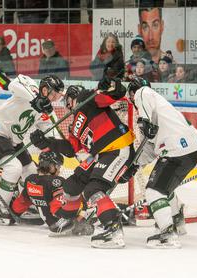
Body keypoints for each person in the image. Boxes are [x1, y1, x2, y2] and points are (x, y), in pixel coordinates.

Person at [29, 78, 135, 248]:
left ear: (74, 97)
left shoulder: (90, 100)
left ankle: (113, 228)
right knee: (72, 184)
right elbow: (71, 149)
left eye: (68, 102)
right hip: (99, 155)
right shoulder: (74, 124)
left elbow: (115, 94)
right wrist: (46, 142)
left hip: (117, 148)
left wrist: (112, 83)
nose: (67, 106)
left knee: (94, 189)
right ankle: (72, 222)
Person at [126, 77, 197, 248]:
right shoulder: (160, 110)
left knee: (153, 191)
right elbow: (149, 147)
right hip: (189, 151)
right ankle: (177, 222)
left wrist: (143, 121)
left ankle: (168, 233)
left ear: (133, 93)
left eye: (131, 97)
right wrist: (135, 165)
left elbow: (142, 92)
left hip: (176, 150)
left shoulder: (143, 93)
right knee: (165, 188)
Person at [0, 74, 64, 225]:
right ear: (44, 90)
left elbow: (52, 132)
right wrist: (35, 99)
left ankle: (27, 203)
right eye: (54, 94)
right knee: (13, 168)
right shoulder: (29, 86)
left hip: (12, 140)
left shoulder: (47, 111)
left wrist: (56, 148)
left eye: (58, 96)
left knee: (31, 173)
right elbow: (13, 85)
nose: (55, 99)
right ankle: (1, 209)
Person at [11, 151, 93, 236]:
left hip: (49, 221)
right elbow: (56, 207)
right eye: (58, 165)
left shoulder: (30, 179)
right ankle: (81, 220)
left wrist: (13, 214)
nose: (59, 168)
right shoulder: (56, 181)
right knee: (84, 198)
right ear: (50, 165)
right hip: (61, 223)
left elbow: (21, 202)